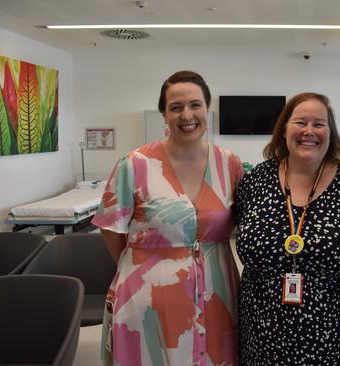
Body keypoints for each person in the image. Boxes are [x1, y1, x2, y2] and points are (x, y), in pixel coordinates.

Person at [92, 70, 243, 366]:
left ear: (207, 109)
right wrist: (143, 267)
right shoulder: (135, 165)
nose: (187, 115)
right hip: (149, 299)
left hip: (218, 292)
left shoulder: (230, 164)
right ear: (164, 114)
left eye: (195, 105)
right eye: (176, 107)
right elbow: (112, 230)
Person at [232, 92, 340, 365]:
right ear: (284, 129)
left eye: (319, 124)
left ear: (331, 132)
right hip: (264, 337)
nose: (309, 131)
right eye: (300, 122)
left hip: (338, 339)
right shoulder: (256, 181)